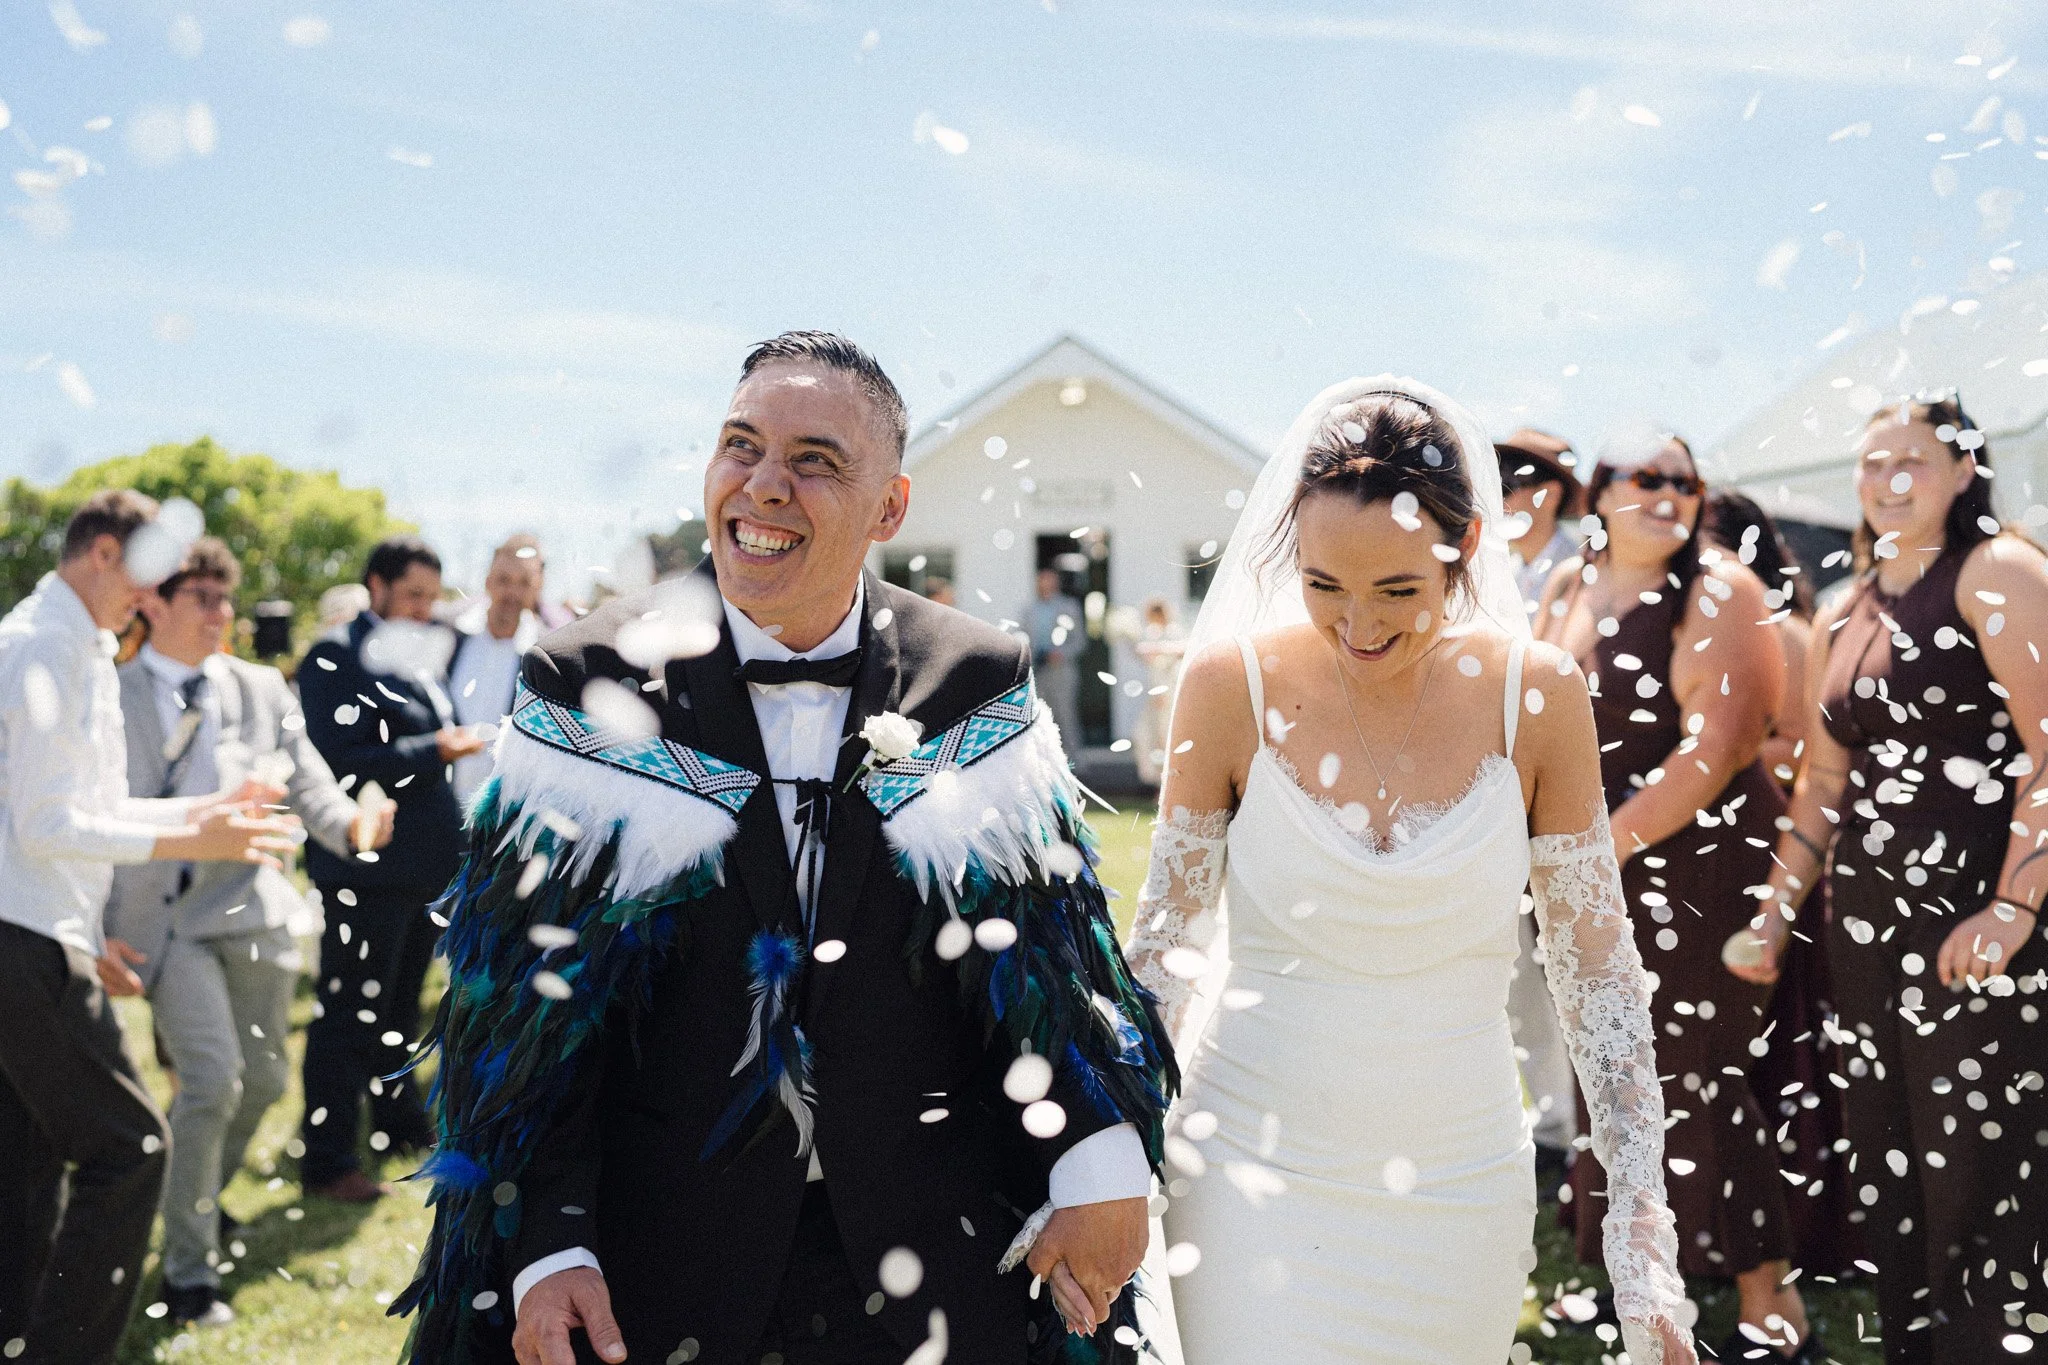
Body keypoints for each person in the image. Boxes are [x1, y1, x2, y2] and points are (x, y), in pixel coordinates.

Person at [392, 332, 1175, 1365]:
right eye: (739, 446)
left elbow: (1050, 971)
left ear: (889, 508)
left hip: (942, 1265)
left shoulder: (974, 678)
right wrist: (547, 1248)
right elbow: (520, 1026)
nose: (763, 487)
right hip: (653, 1275)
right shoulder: (584, 683)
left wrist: (1097, 1165)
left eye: (814, 461)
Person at [1124, 379, 1695, 1364]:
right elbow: (1164, 954)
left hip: (1456, 1177)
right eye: (1322, 585)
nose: (1358, 627)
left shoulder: (1537, 695)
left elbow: (1596, 971)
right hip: (1245, 1164)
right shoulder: (1225, 689)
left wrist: (1638, 1239)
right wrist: (1107, 1160)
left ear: (1465, 547)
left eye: (1397, 589)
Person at [1730, 393, 2048, 1362]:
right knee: (1892, 1159)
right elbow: (1823, 782)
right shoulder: (1843, 606)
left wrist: (2008, 905)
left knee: (1982, 1167)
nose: (1887, 481)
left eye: (1912, 460)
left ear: (1961, 473)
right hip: (1863, 927)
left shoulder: (1995, 571)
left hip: (1974, 917)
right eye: (1871, 463)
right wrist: (1775, 915)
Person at [1534, 430, 1812, 1359]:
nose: (1668, 494)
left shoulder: (1720, 588)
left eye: (1684, 482)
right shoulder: (1567, 587)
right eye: (1644, 477)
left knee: (1705, 1072)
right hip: (1595, 876)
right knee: (1612, 1069)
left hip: (1706, 873)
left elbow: (1718, 747)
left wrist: (1592, 852)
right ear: (1599, 491)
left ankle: (1770, 1301)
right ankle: (1652, 1291)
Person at [0, 492, 294, 1365]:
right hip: (22, 936)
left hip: (36, 928)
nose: (151, 596)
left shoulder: (65, 638)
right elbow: (46, 825)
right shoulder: (46, 644)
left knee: (29, 1165)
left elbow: (82, 804)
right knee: (131, 1150)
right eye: (145, 577)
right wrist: (187, 833)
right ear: (101, 554)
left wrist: (206, 805)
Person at [103, 537, 392, 1327]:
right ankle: (190, 1274)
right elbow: (92, 817)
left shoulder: (263, 686)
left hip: (257, 909)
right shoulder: (111, 693)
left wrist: (353, 826)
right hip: (168, 923)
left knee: (264, 1079)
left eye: (226, 599)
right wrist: (92, 928)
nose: (222, 613)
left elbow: (308, 780)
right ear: (153, 603)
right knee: (213, 1077)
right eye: (203, 597)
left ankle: (191, 1197)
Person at [295, 536, 488, 1203]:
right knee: (349, 1014)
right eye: (413, 595)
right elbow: (338, 760)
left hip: (421, 870)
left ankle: (398, 1125)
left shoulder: (420, 657)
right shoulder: (333, 655)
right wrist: (435, 747)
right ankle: (326, 1156)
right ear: (375, 585)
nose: (424, 609)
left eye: (432, 597)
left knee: (400, 1011)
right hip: (363, 869)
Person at [1703, 493, 1853, 1276]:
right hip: (1714, 851)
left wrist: (1726, 765)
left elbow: (1805, 752)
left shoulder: (1792, 634)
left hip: (1771, 850)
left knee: (1785, 1049)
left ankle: (1800, 1229)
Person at [1497, 428, 1586, 1191]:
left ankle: (1578, 1121)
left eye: (1510, 483)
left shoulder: (1579, 575)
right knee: (1522, 973)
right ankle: (1552, 1123)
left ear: (1546, 491)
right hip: (1502, 805)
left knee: (1571, 968)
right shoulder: (1492, 569)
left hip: (1565, 801)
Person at [448, 534, 547, 808]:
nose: (512, 593)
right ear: (488, 581)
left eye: (524, 582)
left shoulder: (547, 655)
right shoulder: (450, 634)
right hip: (437, 813)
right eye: (504, 580)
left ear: (538, 587)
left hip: (502, 819)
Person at [1498, 426, 1585, 606]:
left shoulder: (1582, 576)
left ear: (1550, 495)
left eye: (1505, 484)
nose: (1495, 499)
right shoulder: (1503, 574)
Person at [1026, 567, 1086, 748]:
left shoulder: (1069, 607)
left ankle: (1075, 766)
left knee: (1066, 716)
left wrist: (1061, 654)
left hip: (1062, 671)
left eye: (1050, 580)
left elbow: (1080, 641)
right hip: (1037, 670)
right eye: (1042, 580)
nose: (1046, 584)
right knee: (1038, 718)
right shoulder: (1029, 609)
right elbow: (1021, 636)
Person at [1130, 597, 1186, 786]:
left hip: (1169, 693)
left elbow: (1182, 650)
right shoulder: (1150, 634)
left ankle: (1170, 782)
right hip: (1154, 694)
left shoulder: (1174, 633)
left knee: (1166, 737)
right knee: (1147, 737)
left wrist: (1159, 650)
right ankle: (1157, 782)